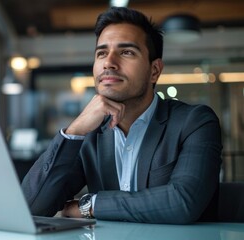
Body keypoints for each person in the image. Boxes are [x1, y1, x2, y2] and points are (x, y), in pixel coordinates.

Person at [21, 7, 222, 224]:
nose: (109, 62)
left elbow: (182, 203)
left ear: (154, 70)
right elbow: (31, 207)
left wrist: (90, 205)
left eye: (126, 52)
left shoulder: (195, 121)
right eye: (101, 53)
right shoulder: (89, 134)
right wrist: (74, 130)